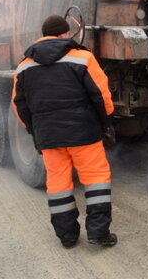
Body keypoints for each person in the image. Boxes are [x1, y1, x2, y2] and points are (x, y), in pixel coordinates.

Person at [12, 15, 117, 249]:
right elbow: (101, 96)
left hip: (49, 136)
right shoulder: (82, 57)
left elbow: (19, 106)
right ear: (64, 33)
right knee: (96, 178)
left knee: (58, 182)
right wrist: (105, 122)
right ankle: (98, 233)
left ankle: (67, 237)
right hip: (84, 133)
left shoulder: (24, 66)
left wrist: (34, 131)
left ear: (44, 35)